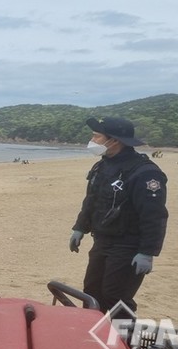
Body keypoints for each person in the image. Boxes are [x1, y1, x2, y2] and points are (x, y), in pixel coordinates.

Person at [69, 117, 168, 318]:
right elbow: (91, 200)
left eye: (96, 136)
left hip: (129, 244)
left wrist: (147, 252)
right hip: (102, 240)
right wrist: (79, 228)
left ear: (114, 140)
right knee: (91, 292)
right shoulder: (102, 166)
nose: (92, 140)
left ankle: (123, 335)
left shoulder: (145, 173)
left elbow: (154, 216)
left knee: (115, 296)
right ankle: (93, 332)